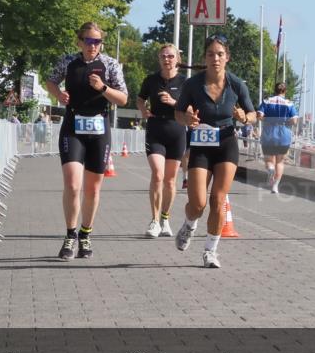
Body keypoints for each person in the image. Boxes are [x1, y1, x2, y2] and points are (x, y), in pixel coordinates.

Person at [45, 22, 127, 260]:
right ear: (79, 41)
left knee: (92, 188)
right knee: (72, 185)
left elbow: (122, 98)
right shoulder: (69, 61)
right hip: (73, 126)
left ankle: (86, 233)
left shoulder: (110, 64)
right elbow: (51, 80)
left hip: (99, 129)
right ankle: (70, 235)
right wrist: (58, 94)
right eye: (88, 41)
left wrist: (103, 88)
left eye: (97, 42)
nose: (93, 46)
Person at [174, 34, 256, 268]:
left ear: (227, 57)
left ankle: (211, 250)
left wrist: (244, 117)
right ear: (205, 58)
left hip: (226, 143)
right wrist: (187, 118)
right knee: (198, 203)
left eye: (220, 54)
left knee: (218, 200)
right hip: (200, 145)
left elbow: (251, 114)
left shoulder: (236, 84)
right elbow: (178, 114)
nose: (215, 58)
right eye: (211, 54)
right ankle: (189, 224)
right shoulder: (192, 84)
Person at [137, 43, 188, 238]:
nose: (166, 59)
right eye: (163, 56)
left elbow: (191, 107)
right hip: (156, 129)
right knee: (157, 174)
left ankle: (166, 218)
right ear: (159, 59)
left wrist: (174, 102)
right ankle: (154, 220)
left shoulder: (185, 82)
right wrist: (142, 109)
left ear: (177, 59)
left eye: (170, 56)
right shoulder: (151, 80)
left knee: (169, 180)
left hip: (176, 131)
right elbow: (140, 99)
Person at [258, 82, 299, 194]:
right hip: (284, 134)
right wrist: (286, 121)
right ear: (285, 91)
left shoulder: (266, 101)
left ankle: (270, 169)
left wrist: (268, 119)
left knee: (269, 159)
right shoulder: (289, 103)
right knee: (280, 162)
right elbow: (294, 120)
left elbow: (259, 116)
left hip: (269, 133)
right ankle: (275, 186)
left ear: (274, 90)